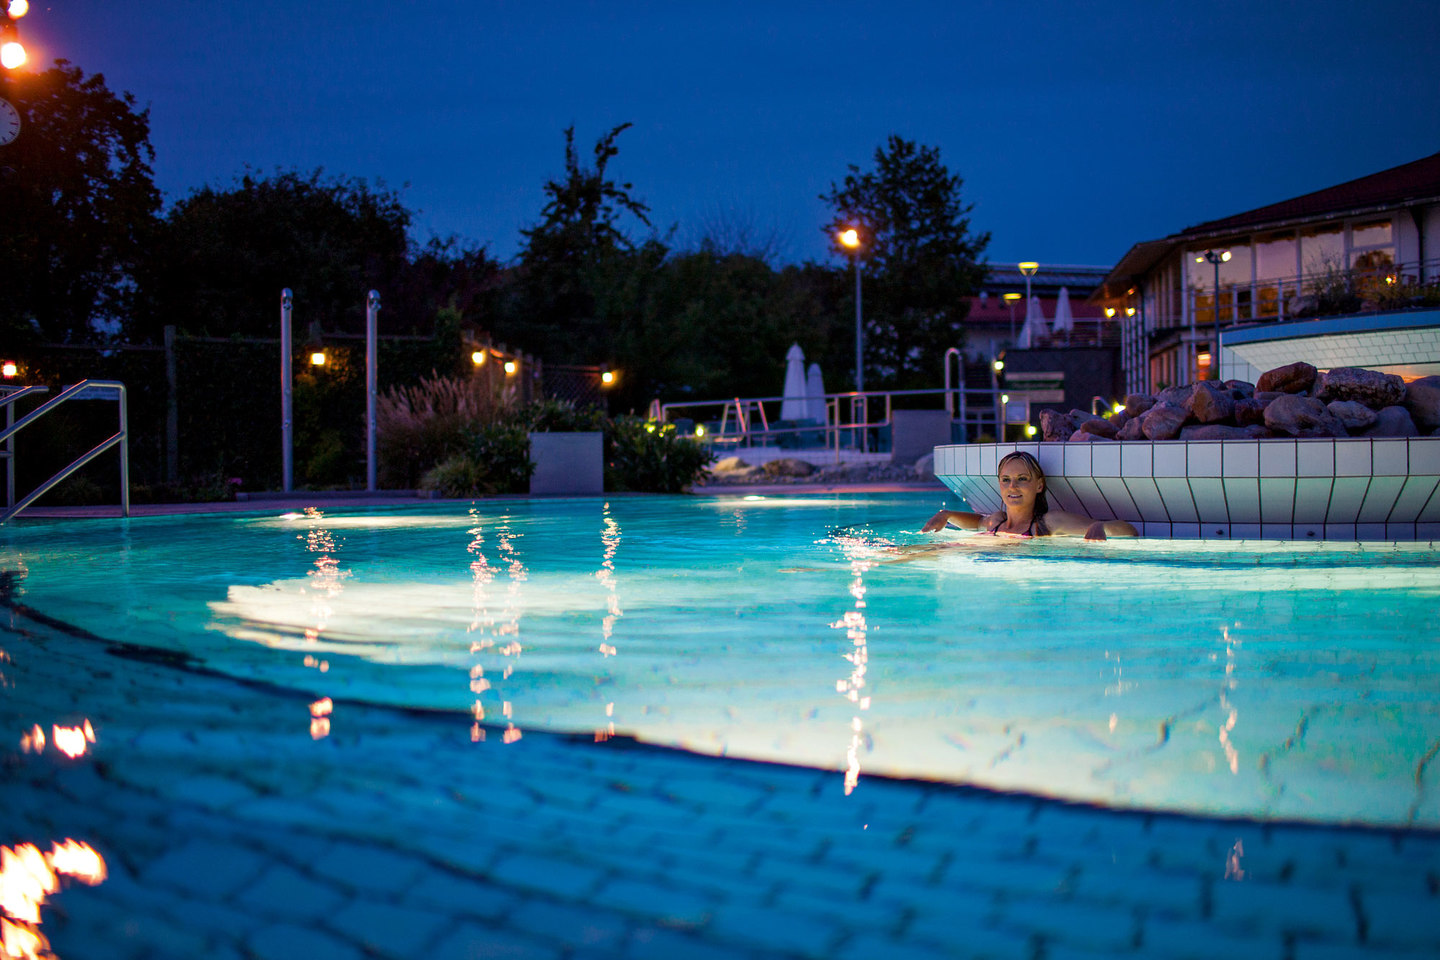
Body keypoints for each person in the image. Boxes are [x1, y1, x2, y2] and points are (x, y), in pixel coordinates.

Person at [921, 450, 1138, 541]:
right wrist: (946, 514)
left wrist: (1101, 526)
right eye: (1006, 480)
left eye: (1022, 479)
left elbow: (1130, 531)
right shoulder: (996, 522)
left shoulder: (1047, 523)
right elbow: (977, 521)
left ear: (1039, 485)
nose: (1012, 486)